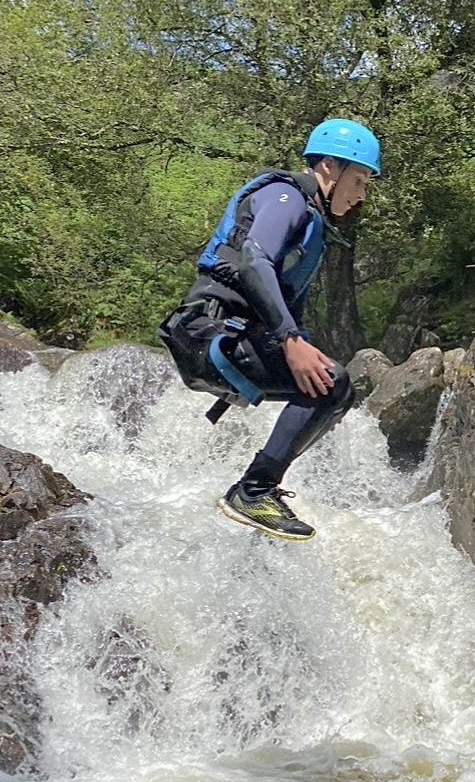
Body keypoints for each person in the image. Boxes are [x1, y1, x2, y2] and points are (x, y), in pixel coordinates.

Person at [158, 118, 380, 541]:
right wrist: (290, 341)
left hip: (223, 335)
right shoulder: (285, 197)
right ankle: (253, 492)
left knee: (331, 388)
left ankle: (257, 496)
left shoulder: (308, 215)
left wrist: (320, 403)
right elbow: (254, 259)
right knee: (333, 383)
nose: (360, 196)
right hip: (210, 334)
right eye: (360, 180)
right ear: (330, 168)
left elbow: (280, 301)